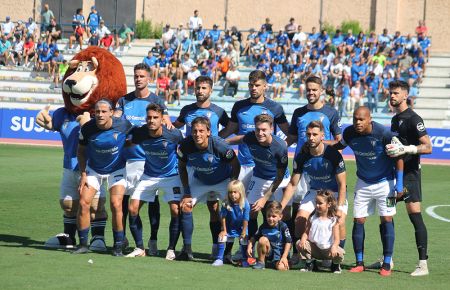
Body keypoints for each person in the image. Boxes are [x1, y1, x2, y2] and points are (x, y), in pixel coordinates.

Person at [333, 106, 403, 276]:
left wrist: (399, 184)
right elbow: (338, 145)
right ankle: (359, 262)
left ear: (369, 119)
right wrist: (318, 144)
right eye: (355, 118)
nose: (357, 122)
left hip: (386, 183)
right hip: (363, 183)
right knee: (358, 220)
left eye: (361, 119)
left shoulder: (384, 134)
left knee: (387, 218)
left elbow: (399, 155)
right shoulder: (350, 133)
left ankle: (386, 263)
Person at [114, 63, 173, 255]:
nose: (138, 79)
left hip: (148, 161)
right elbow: (115, 121)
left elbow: (167, 123)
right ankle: (122, 239)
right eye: (136, 76)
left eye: (142, 76)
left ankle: (153, 239)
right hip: (126, 159)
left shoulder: (157, 100)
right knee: (123, 200)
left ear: (149, 78)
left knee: (152, 203)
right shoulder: (124, 100)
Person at [35, 105, 107, 251]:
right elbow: (54, 125)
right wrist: (45, 121)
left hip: (92, 167)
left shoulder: (98, 111)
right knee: (68, 205)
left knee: (95, 205)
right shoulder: (62, 112)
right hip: (69, 165)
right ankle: (69, 236)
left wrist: (88, 124)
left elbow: (106, 135)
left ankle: (98, 237)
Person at [286, 75, 342, 263]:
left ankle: (329, 253)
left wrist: (318, 144)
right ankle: (298, 251)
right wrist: (279, 150)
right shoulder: (298, 112)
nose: (311, 93)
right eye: (308, 89)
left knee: (328, 215)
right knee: (298, 212)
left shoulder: (331, 112)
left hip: (323, 167)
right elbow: (292, 138)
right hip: (303, 167)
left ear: (321, 91)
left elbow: (340, 142)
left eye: (314, 90)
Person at [384, 80, 432, 276]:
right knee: (386, 214)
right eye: (391, 93)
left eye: (396, 93)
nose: (392, 96)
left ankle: (423, 264)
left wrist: (407, 149)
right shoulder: (395, 119)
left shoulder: (414, 118)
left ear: (405, 95)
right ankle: (387, 258)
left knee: (414, 215)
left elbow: (428, 146)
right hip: (393, 174)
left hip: (411, 174)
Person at [283, 120, 347, 266]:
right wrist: (281, 206)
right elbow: (293, 184)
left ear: (322, 136)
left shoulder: (333, 155)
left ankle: (334, 259)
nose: (311, 137)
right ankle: (302, 256)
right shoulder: (302, 156)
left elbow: (342, 184)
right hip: (314, 191)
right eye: (308, 134)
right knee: (299, 218)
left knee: (340, 221)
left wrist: (339, 207)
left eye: (315, 134)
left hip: (334, 192)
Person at [177, 117, 240, 261]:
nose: (197, 134)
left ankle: (227, 253)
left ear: (208, 132)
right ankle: (187, 250)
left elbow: (236, 165)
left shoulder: (220, 145)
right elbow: (182, 167)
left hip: (223, 180)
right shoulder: (185, 146)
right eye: (194, 131)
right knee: (186, 205)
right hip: (200, 180)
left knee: (231, 210)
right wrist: (186, 192)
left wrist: (232, 184)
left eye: (201, 131)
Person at [125, 104, 184, 260]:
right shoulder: (140, 132)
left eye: (155, 118)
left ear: (162, 119)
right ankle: (139, 247)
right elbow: (127, 141)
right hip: (149, 176)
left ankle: (171, 249)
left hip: (171, 176)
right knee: (132, 208)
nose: (151, 121)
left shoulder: (173, 134)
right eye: (149, 117)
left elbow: (185, 149)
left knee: (176, 210)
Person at [74, 99, 132, 256]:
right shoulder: (87, 129)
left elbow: (134, 139)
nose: (100, 114)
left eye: (104, 111)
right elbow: (80, 151)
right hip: (93, 169)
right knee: (83, 203)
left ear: (111, 113)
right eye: (97, 111)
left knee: (116, 204)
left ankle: (118, 246)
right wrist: (83, 174)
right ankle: (83, 244)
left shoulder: (123, 125)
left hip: (117, 170)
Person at [220, 69, 289, 191]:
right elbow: (229, 129)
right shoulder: (239, 106)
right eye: (251, 85)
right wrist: (213, 141)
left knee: (269, 207)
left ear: (265, 86)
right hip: (244, 164)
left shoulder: (275, 108)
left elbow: (290, 134)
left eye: (257, 85)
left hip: (264, 166)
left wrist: (278, 150)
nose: (254, 88)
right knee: (238, 204)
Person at [227, 114, 291, 240]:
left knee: (281, 214)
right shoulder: (251, 137)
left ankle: (284, 250)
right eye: (257, 129)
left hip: (280, 180)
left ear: (271, 129)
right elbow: (241, 139)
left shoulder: (280, 147)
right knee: (250, 211)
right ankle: (248, 248)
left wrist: (264, 198)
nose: (260, 133)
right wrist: (224, 141)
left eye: (264, 130)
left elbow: (279, 176)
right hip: (259, 176)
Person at [298, 190, 345, 273]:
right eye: (316, 203)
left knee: (339, 252)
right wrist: (303, 239)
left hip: (328, 250)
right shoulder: (312, 217)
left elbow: (337, 239)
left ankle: (335, 265)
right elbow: (306, 232)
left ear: (329, 204)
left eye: (320, 203)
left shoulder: (333, 220)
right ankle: (310, 263)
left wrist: (334, 247)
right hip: (315, 249)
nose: (317, 205)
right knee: (300, 243)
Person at [212, 180, 250, 266]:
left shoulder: (245, 204)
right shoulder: (225, 203)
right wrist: (224, 230)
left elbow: (245, 219)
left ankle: (244, 259)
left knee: (243, 239)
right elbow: (223, 217)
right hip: (229, 227)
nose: (232, 194)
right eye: (230, 192)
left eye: (235, 192)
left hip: (241, 227)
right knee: (221, 237)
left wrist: (244, 232)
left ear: (241, 192)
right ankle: (219, 259)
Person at [247, 201, 292, 270]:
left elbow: (288, 242)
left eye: (274, 216)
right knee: (262, 239)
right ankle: (261, 262)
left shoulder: (283, 226)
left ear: (280, 217)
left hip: (280, 254)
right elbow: (254, 237)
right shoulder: (263, 226)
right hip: (269, 252)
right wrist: (250, 246)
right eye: (269, 216)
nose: (271, 218)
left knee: (281, 268)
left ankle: (275, 263)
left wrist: (284, 257)